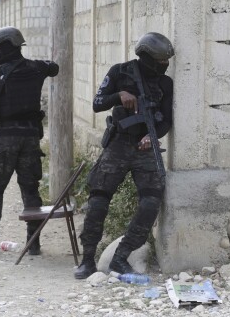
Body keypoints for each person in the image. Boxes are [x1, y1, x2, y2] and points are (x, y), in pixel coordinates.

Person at [74, 32, 174, 279]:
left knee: (151, 201)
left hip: (145, 148)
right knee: (98, 199)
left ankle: (121, 257)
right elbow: (98, 103)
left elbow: (167, 121)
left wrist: (152, 136)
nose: (165, 66)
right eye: (161, 61)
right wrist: (118, 96)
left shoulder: (165, 84)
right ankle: (87, 260)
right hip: (119, 144)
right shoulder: (120, 72)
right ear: (148, 58)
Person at [0, 26, 59, 257]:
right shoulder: (36, 68)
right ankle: (34, 243)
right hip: (30, 138)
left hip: (4, 139)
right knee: (30, 188)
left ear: (7, 47)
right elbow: (54, 67)